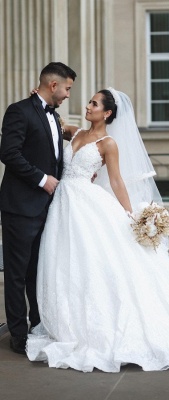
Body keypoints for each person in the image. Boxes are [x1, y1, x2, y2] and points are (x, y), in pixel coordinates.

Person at [26, 88, 169, 372]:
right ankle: (65, 322)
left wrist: (130, 215)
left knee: (94, 262)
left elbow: (116, 181)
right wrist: (37, 99)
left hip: (87, 205)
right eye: (89, 102)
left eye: (94, 104)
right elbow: (53, 123)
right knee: (64, 262)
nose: (88, 106)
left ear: (108, 113)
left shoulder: (108, 143)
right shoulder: (75, 133)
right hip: (63, 205)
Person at [0, 62, 77, 355]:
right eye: (68, 88)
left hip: (48, 208)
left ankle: (37, 325)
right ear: (54, 85)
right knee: (17, 274)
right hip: (20, 206)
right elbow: (8, 153)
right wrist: (42, 179)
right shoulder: (19, 111)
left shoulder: (54, 116)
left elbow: (54, 156)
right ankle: (18, 334)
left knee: (39, 271)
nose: (69, 94)